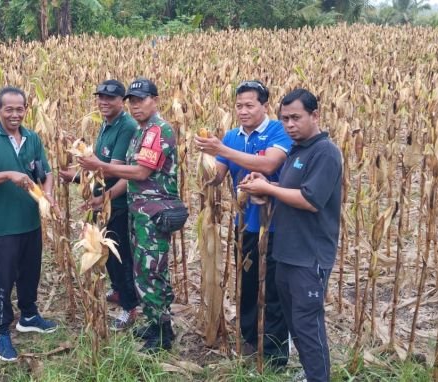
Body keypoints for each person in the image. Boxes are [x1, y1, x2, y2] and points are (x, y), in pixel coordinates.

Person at [239, 88, 342, 382]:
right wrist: (264, 186)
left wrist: (268, 189)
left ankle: (319, 378)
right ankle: (310, 373)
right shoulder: (297, 150)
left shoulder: (325, 152)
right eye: (284, 119)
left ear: (315, 115)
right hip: (285, 252)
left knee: (308, 324)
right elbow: (288, 192)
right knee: (295, 322)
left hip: (309, 257)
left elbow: (310, 200)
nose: (289, 125)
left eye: (296, 118)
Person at [194, 80, 292, 364]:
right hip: (245, 225)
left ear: (265, 106)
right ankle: (249, 340)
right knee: (247, 286)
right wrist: (206, 159)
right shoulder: (231, 136)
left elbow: (269, 164)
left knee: (272, 290)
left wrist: (221, 150)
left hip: (276, 226)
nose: (243, 111)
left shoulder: (278, 131)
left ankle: (274, 354)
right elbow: (217, 177)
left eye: (250, 105)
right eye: (239, 106)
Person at [79, 78, 179, 352]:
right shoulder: (141, 132)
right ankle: (154, 322)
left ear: (155, 100)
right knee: (142, 271)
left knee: (152, 271)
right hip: (140, 213)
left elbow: (140, 172)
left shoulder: (158, 131)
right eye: (132, 101)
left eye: (141, 100)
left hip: (154, 215)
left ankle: (162, 333)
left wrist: (99, 166)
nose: (135, 106)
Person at [0, 86, 59, 362]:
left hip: (30, 220)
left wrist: (48, 194)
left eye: (20, 109)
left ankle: (28, 316)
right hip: (3, 223)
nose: (15, 114)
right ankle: (1, 331)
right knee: (4, 279)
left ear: (26, 110)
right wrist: (8, 174)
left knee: (31, 272)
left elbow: (45, 172)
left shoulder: (32, 138)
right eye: (9, 109)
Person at [58, 79, 140, 331]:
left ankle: (129, 306)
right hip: (103, 201)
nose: (103, 102)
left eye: (110, 98)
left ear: (122, 101)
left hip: (117, 202)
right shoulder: (106, 123)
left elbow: (115, 171)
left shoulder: (126, 127)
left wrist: (104, 197)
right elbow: (98, 167)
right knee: (107, 252)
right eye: (100, 97)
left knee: (120, 255)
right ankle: (118, 290)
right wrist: (76, 175)